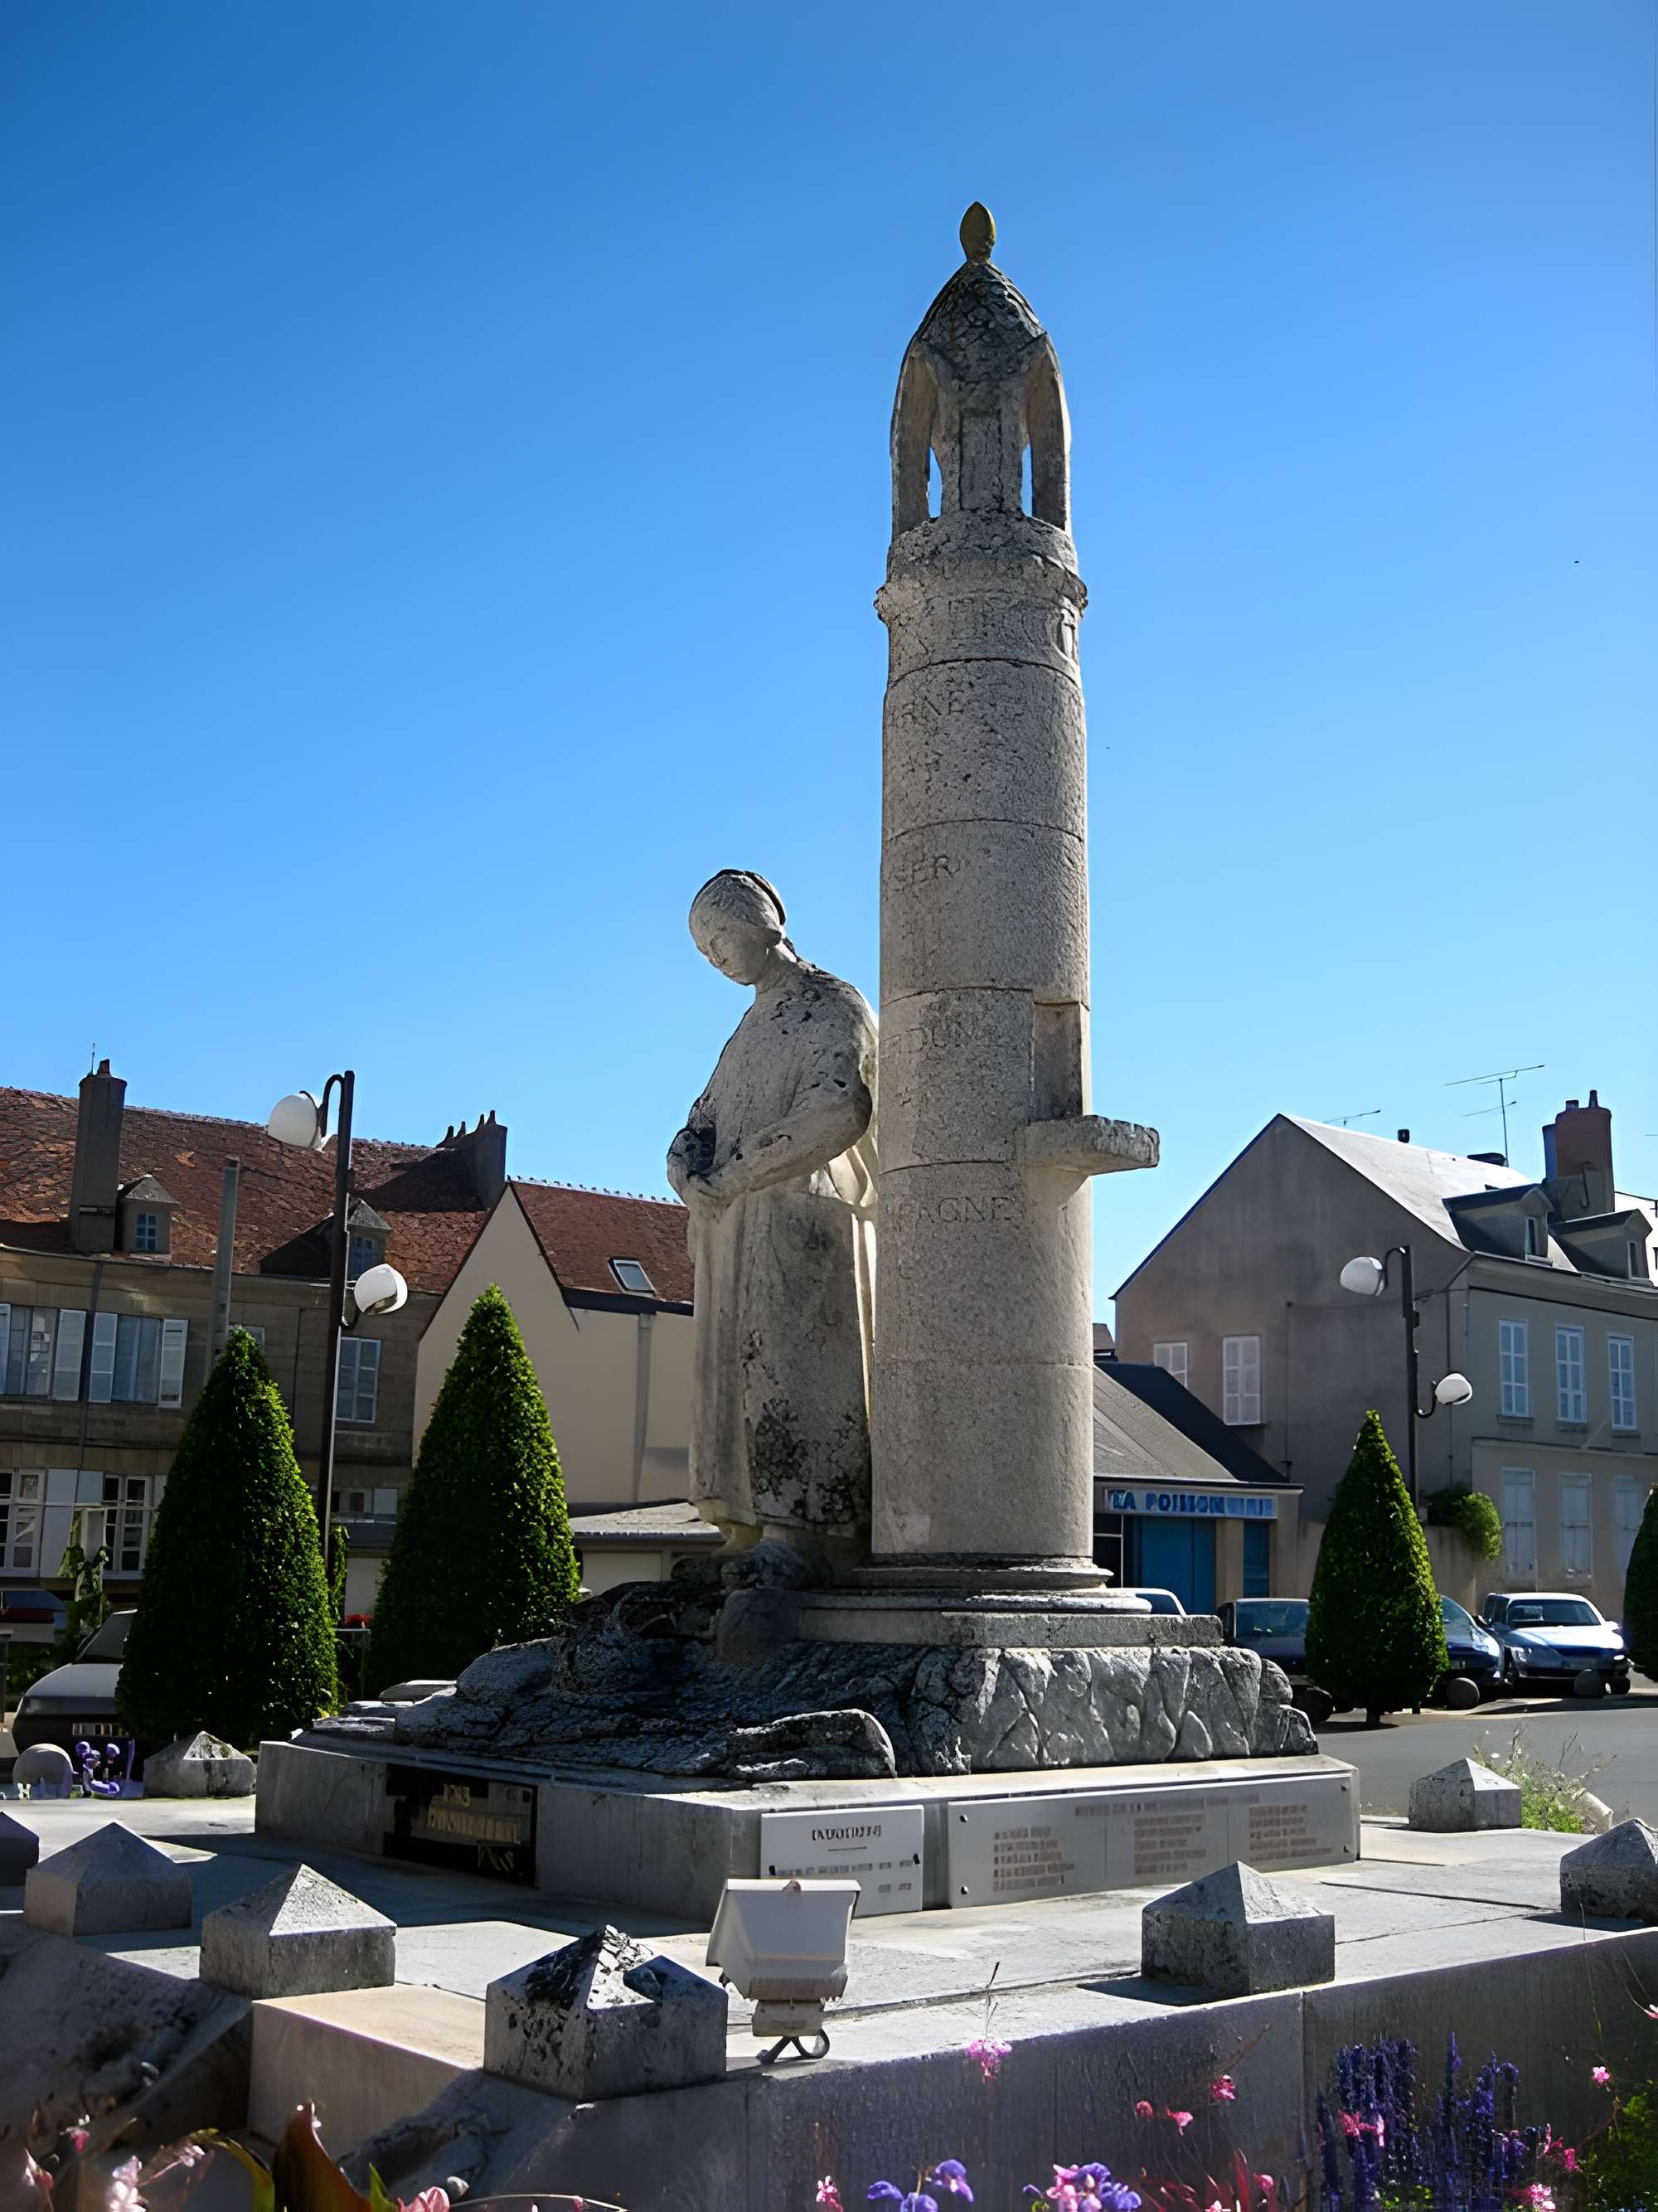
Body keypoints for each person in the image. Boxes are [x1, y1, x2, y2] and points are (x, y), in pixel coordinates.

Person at [667, 870, 876, 1556]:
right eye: (705, 953)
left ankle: (801, 1527)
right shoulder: (749, 1027)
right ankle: (743, 1526)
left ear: (759, 924)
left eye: (720, 940)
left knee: (790, 1370)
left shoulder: (830, 1004)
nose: (717, 959)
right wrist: (684, 1164)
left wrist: (738, 1173)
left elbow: (840, 1106)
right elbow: (703, 1117)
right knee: (729, 1377)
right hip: (729, 1225)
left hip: (799, 1218)